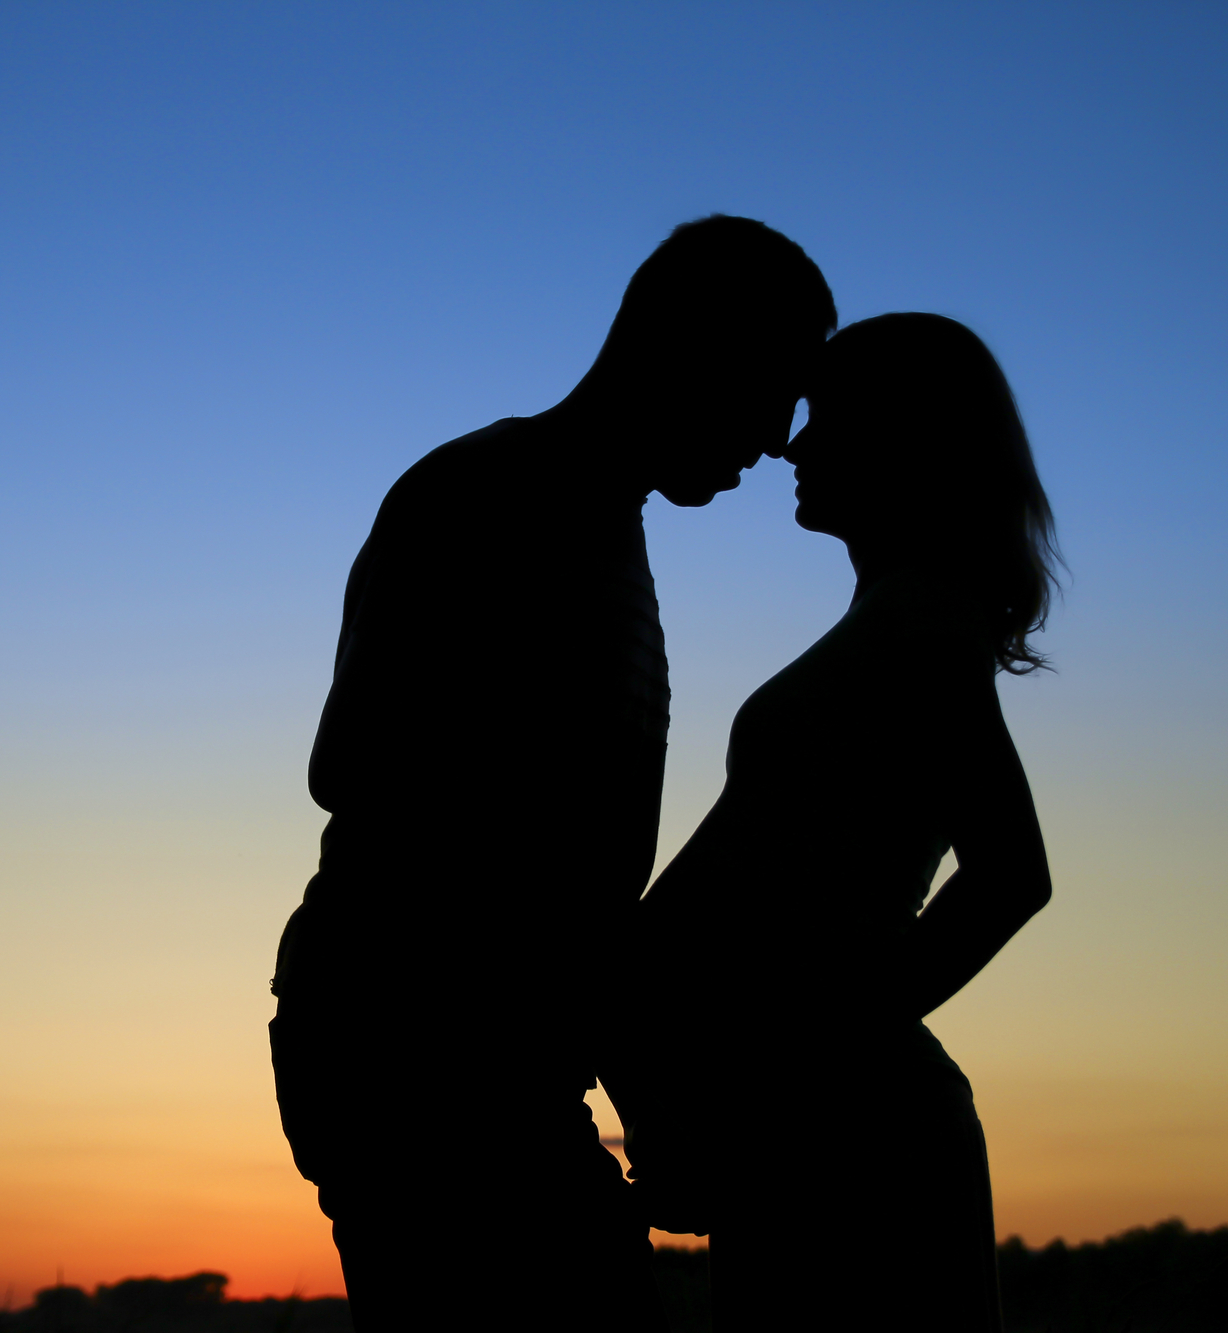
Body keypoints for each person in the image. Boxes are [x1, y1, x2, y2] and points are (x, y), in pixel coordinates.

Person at [268, 216, 836, 1332]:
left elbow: (573, 885)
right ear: (688, 344)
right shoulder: (489, 496)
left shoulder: (598, 526)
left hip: (484, 1068)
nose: (779, 439)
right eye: (776, 386)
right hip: (417, 1068)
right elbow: (363, 772)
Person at [627, 313, 1060, 1331]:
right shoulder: (894, 621)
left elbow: (1010, 873)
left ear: (903, 441)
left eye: (824, 418)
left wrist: (805, 1056)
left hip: (852, 1140)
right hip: (816, 1131)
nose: (792, 442)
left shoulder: (916, 627)